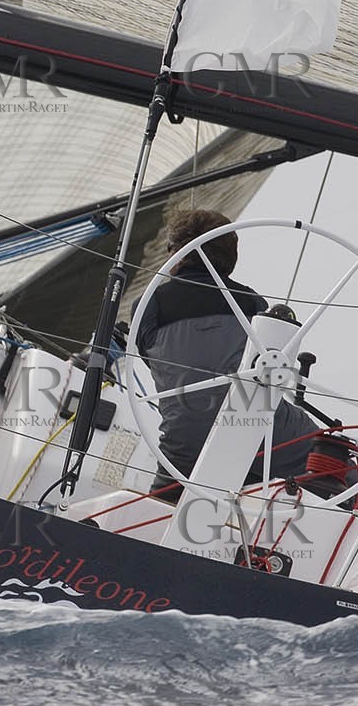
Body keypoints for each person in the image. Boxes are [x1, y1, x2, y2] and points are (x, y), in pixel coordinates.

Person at [134, 209, 335, 501]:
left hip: (186, 444)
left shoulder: (147, 305)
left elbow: (155, 361)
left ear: (176, 253)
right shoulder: (254, 304)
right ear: (230, 256)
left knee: (160, 510)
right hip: (260, 434)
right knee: (333, 466)